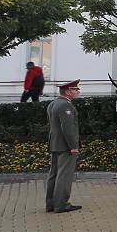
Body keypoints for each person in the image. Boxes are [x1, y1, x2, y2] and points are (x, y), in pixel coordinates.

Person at [46, 79, 82, 213]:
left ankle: (51, 204)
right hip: (65, 145)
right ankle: (61, 204)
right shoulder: (66, 106)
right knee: (64, 175)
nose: (78, 92)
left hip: (55, 143)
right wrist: (73, 145)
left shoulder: (53, 104)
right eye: (75, 89)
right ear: (67, 92)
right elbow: (67, 127)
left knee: (54, 174)